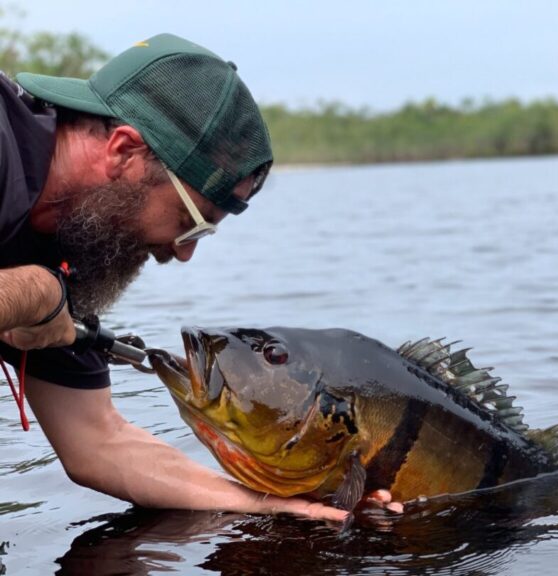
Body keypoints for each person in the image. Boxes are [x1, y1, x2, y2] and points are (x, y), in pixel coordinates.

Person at [0, 33, 399, 520]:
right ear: (124, 151)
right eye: (191, 219)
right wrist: (31, 294)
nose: (183, 252)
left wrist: (273, 504)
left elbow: (99, 440)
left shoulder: (70, 246)